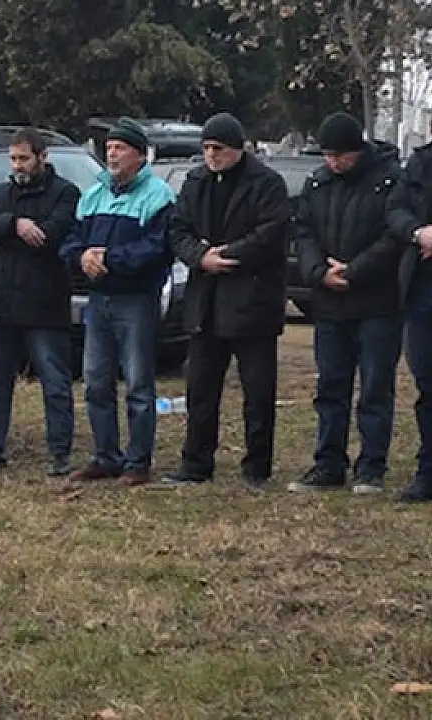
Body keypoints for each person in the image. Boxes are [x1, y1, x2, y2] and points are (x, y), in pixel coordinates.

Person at [165, 112, 291, 489]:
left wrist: (229, 255)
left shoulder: (266, 184)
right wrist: (200, 257)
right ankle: (196, 463)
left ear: (237, 148)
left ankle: (257, 467)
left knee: (257, 392)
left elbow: (271, 233)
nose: (211, 155)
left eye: (218, 148)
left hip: (252, 301)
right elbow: (178, 229)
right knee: (201, 389)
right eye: (206, 148)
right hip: (206, 302)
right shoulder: (196, 181)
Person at [288, 112, 404, 494]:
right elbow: (303, 233)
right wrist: (318, 271)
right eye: (328, 155)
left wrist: (355, 270)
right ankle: (328, 463)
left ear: (358, 150)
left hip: (377, 303)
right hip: (329, 304)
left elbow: (394, 236)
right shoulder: (318, 184)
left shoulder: (389, 181)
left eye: (340, 155)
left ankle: (371, 466)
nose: (334, 162)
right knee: (330, 387)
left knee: (375, 389)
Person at [59, 118, 176, 486]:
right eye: (108, 147)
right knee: (96, 382)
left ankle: (138, 461)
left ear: (139, 155)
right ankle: (106, 455)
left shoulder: (158, 196)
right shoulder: (94, 194)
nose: (112, 154)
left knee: (138, 384)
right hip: (99, 300)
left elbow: (156, 249)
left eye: (120, 148)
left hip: (136, 300)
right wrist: (81, 257)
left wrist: (109, 259)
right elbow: (70, 238)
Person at [0, 128, 81, 475]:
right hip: (3, 300)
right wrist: (13, 225)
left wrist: (13, 232)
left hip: (45, 301)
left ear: (42, 157)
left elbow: (51, 236)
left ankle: (60, 452)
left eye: (24, 158)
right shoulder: (3, 193)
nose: (18, 165)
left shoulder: (65, 193)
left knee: (55, 382)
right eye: (13, 159)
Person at [386, 88, 432, 502]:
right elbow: (394, 211)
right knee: (430, 383)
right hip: (424, 288)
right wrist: (418, 233)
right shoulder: (420, 163)